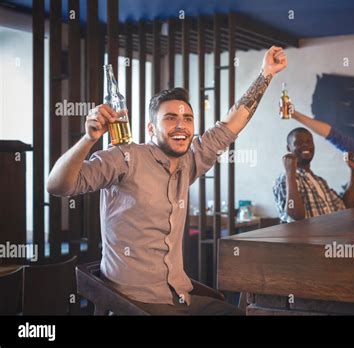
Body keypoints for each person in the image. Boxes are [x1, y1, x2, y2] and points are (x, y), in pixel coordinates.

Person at [47, 46, 288, 315]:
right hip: (137, 302)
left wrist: (266, 73)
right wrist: (89, 138)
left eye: (187, 119)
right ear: (151, 128)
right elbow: (57, 186)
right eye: (170, 118)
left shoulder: (189, 162)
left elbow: (231, 125)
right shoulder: (125, 158)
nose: (181, 126)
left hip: (180, 295)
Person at [273, 127, 354, 222]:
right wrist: (290, 174)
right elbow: (295, 215)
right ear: (288, 148)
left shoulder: (320, 181)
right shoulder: (284, 179)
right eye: (298, 143)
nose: (305, 145)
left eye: (309, 142)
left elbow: (346, 208)